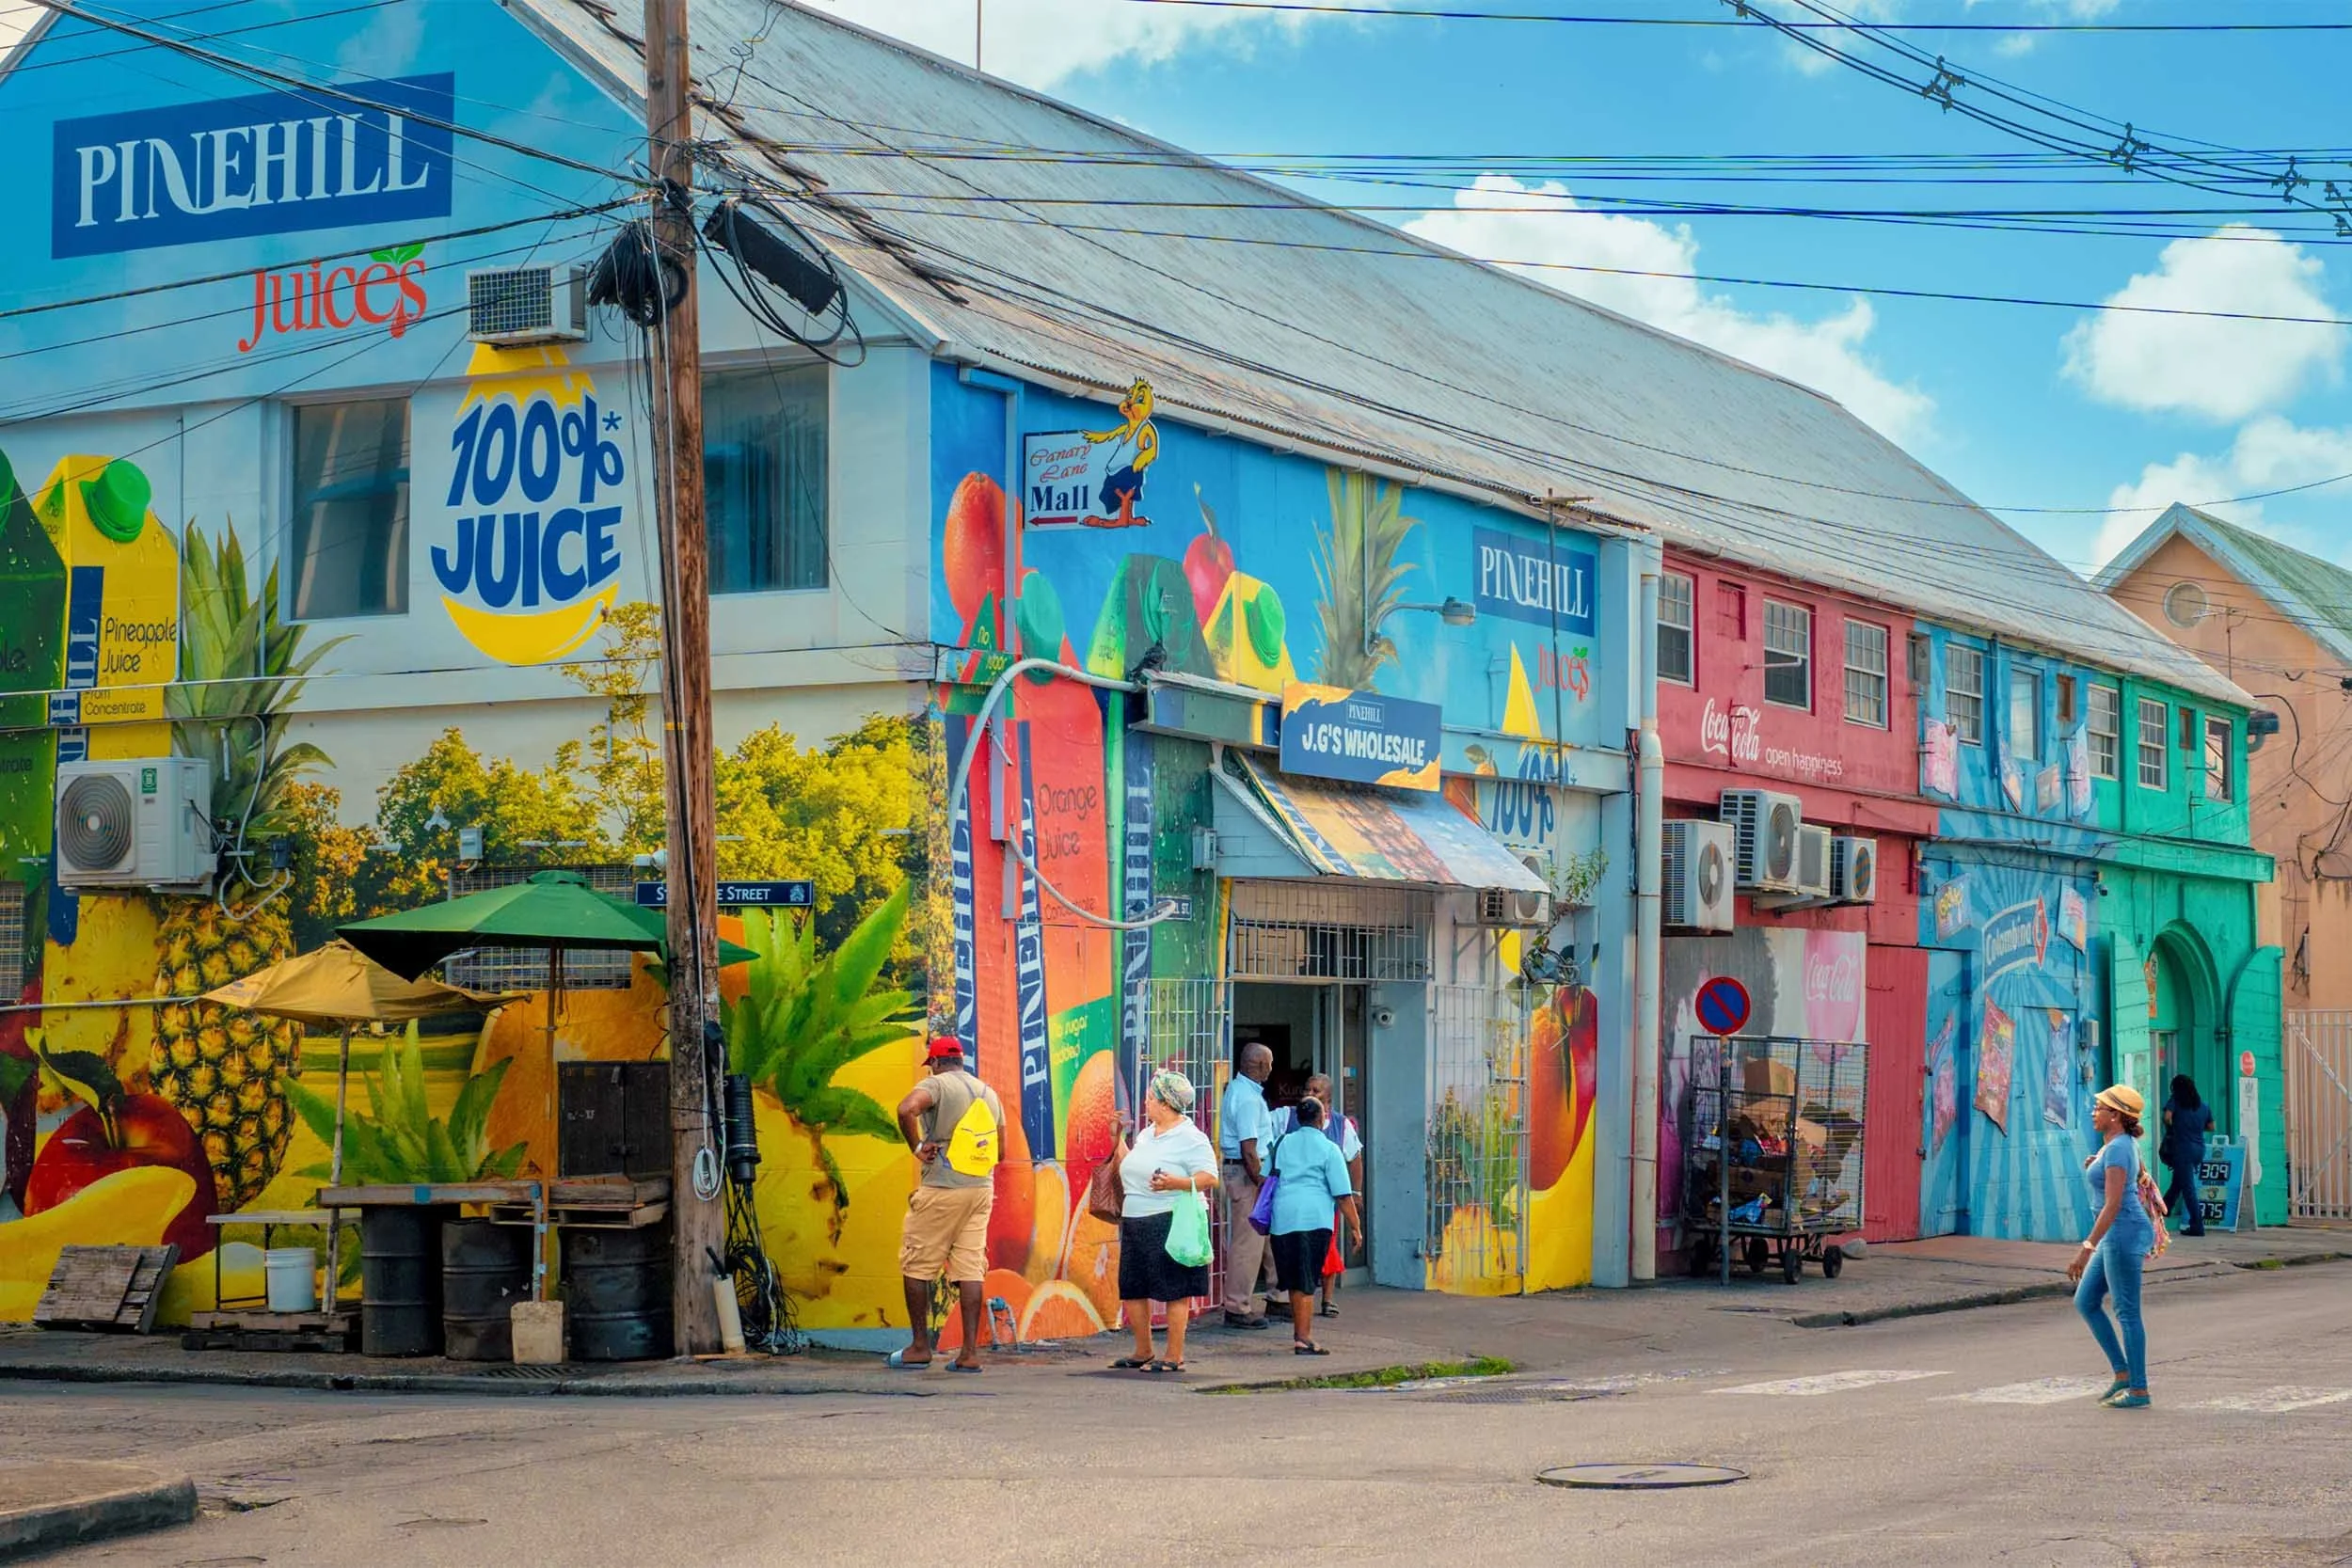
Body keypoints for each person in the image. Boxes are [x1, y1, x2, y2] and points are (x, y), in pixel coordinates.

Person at [888, 1038, 1006, 1371]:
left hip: (941, 1188)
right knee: (970, 1268)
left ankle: (919, 1348)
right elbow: (1002, 1152)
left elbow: (905, 1108)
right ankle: (969, 1354)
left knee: (917, 1264)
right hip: (980, 1191)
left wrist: (918, 1146)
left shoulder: (936, 1085)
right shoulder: (989, 1094)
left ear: (936, 1062)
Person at [1109, 1069, 1219, 1373]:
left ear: (1166, 1104)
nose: (1145, 1104)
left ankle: (1174, 1355)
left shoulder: (1190, 1137)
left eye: (1149, 1099)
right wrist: (1117, 1137)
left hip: (1170, 1217)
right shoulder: (1147, 1134)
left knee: (1174, 1287)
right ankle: (1143, 1350)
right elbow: (1131, 1163)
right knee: (1133, 1286)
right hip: (1136, 1218)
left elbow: (1210, 1176)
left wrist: (1176, 1182)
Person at [2069, 1084, 2157, 1409]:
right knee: (2086, 1300)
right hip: (2116, 1234)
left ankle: (2139, 1389)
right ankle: (2122, 1374)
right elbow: (2135, 1174)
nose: (2095, 1112)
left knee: (2127, 1312)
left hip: (2122, 1233)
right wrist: (2099, 1162)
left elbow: (2113, 1204)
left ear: (2116, 1116)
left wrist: (2086, 1247)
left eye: (2100, 1108)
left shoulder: (2119, 1148)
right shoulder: (2116, 1145)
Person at [1266, 1097, 1359, 1355]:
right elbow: (1343, 1194)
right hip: (1314, 1220)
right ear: (1321, 1119)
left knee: (1296, 1278)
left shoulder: (1281, 1143)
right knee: (1307, 1279)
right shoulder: (1329, 1149)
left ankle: (1300, 1335)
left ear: (1297, 1118)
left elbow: (1267, 1176)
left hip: (1283, 1219)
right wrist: (1355, 1226)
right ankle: (1304, 1338)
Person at [1218, 1042, 1275, 1328]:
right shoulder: (1248, 1098)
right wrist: (1261, 1182)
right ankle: (1237, 1306)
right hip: (1247, 1173)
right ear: (1260, 1066)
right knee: (1248, 1243)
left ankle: (1279, 1297)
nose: (1271, 1069)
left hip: (1247, 1172)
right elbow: (1249, 1148)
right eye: (1269, 1064)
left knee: (1266, 1238)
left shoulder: (1241, 1091)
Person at [2161, 1074, 2213, 1237]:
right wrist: (2194, 1128)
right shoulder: (2203, 1106)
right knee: (2178, 1183)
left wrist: (2173, 1128)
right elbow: (2211, 1127)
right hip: (2199, 1149)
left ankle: (2197, 1226)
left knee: (2188, 1188)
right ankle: (2163, 1210)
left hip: (2182, 1149)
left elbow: (2167, 1117)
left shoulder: (2175, 1101)